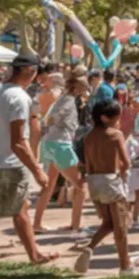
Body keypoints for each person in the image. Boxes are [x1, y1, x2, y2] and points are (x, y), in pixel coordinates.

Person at [0, 51, 59, 269]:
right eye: (35, 73)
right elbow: (18, 141)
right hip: (10, 164)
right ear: (29, 72)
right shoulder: (19, 97)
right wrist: (37, 171)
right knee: (21, 211)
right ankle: (35, 256)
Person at [73, 100, 139, 275]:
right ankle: (125, 265)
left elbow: (87, 165)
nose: (119, 120)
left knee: (108, 223)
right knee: (121, 226)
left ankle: (89, 247)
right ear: (105, 118)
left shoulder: (87, 137)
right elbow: (126, 162)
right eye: (117, 117)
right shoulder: (115, 135)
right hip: (111, 180)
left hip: (94, 182)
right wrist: (123, 174)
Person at [32, 75, 88, 233]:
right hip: (60, 144)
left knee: (49, 186)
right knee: (81, 184)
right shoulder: (69, 101)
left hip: (49, 143)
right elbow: (52, 118)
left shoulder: (62, 99)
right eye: (84, 87)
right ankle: (76, 226)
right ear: (76, 88)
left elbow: (47, 118)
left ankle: (37, 223)